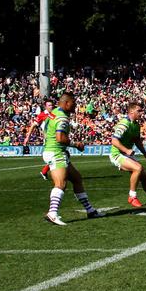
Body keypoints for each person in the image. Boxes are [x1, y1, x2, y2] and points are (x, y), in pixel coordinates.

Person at [42, 92, 104, 226]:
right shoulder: (62, 117)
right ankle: (52, 213)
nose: (75, 106)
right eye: (73, 104)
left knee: (76, 179)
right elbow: (60, 138)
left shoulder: (53, 113)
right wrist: (76, 144)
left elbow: (46, 131)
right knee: (61, 184)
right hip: (56, 152)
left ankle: (90, 210)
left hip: (54, 150)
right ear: (66, 103)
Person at [108, 102, 146, 208]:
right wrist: (126, 150)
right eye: (139, 111)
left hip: (126, 154)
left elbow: (137, 141)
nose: (141, 113)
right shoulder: (124, 123)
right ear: (131, 111)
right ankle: (132, 196)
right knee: (138, 168)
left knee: (144, 177)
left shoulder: (135, 124)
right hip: (117, 154)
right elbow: (114, 141)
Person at [25, 99, 56, 178]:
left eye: (52, 105)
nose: (51, 106)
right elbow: (33, 125)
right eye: (49, 105)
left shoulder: (55, 114)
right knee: (59, 156)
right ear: (45, 106)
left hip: (56, 138)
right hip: (49, 139)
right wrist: (27, 137)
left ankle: (45, 172)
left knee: (61, 156)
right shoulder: (42, 115)